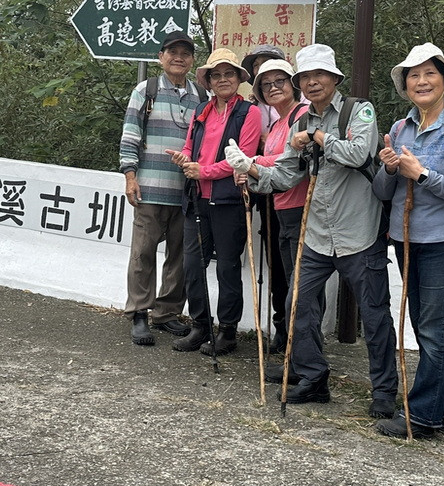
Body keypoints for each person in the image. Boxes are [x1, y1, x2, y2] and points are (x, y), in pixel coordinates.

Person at [225, 44, 398, 418]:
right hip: (317, 233)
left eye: (319, 75)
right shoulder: (301, 124)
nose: (312, 82)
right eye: (306, 77)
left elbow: (358, 154)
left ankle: (384, 391)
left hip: (360, 232)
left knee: (374, 314)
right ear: (300, 83)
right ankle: (313, 377)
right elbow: (286, 175)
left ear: (335, 79)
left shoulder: (358, 110)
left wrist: (318, 139)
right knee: (296, 306)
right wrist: (250, 169)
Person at [370, 44, 444, 439]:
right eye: (413, 75)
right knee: (424, 327)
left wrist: (421, 174)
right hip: (406, 239)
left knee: (433, 331)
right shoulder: (401, 128)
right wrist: (389, 168)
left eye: (429, 73)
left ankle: (420, 415)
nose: (421, 81)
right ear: (405, 86)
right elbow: (385, 192)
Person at [168, 48, 261, 356]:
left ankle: (228, 332)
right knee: (193, 265)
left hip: (229, 201)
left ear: (238, 79)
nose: (223, 80)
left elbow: (241, 159)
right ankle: (200, 325)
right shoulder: (201, 111)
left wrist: (202, 170)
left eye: (228, 74)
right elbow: (190, 145)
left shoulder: (249, 113)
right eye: (216, 75)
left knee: (228, 268)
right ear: (208, 81)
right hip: (197, 198)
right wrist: (185, 159)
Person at [118, 34, 206, 346]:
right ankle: (140, 312)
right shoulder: (146, 90)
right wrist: (130, 177)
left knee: (180, 257)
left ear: (192, 60)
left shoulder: (202, 95)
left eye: (185, 53)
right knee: (142, 252)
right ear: (161, 57)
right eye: (173, 52)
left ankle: (167, 313)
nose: (179, 58)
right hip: (149, 188)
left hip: (186, 191)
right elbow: (130, 136)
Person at [235, 58, 308, 354]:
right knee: (288, 280)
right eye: (266, 84)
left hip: (304, 207)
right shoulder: (278, 122)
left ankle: (303, 356)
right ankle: (294, 349)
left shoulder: (302, 116)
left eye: (280, 81)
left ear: (293, 83)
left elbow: (288, 163)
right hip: (281, 207)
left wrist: (252, 163)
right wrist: (249, 169)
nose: (274, 88)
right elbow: (269, 167)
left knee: (302, 286)